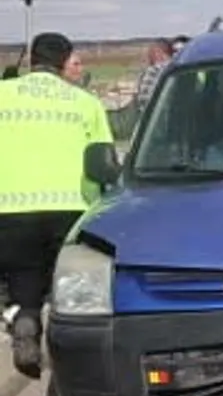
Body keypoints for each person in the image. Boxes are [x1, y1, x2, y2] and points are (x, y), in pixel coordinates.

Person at [0, 33, 113, 376]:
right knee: (71, 286)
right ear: (66, 63)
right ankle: (74, 357)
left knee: (23, 277)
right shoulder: (85, 102)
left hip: (9, 208)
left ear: (32, 60)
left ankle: (25, 319)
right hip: (72, 207)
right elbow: (103, 162)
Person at [134, 39, 174, 111]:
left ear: (158, 53)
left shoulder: (153, 71)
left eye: (150, 54)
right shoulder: (177, 68)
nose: (149, 58)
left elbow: (143, 99)